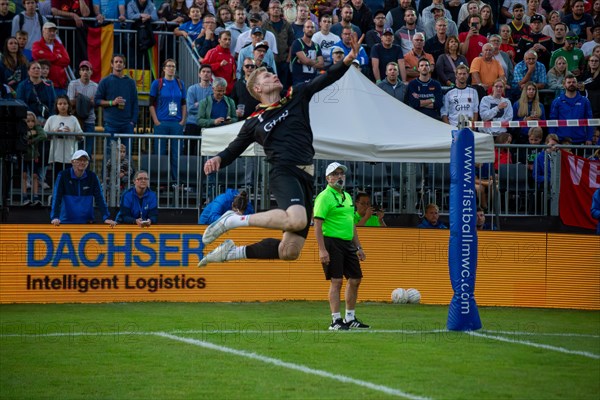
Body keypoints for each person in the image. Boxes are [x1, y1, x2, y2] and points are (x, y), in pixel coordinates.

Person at [198, 32, 363, 267]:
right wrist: (217, 158)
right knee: (296, 220)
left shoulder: (295, 95)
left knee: (289, 250)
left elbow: (323, 80)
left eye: (272, 72)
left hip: (305, 176)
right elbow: (233, 149)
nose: (273, 75)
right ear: (257, 88)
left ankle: (232, 252)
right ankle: (232, 220)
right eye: (266, 75)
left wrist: (346, 61)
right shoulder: (254, 120)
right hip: (283, 171)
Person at [313, 161, 369, 330]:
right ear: (328, 178)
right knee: (336, 281)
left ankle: (350, 318)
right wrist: (322, 249)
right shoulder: (324, 197)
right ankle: (335, 320)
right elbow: (317, 224)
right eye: (335, 174)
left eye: (341, 174)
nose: (339, 177)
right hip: (331, 242)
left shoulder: (348, 196)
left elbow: (351, 224)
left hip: (347, 243)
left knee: (355, 279)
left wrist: (358, 247)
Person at [50, 149, 116, 226]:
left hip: (87, 223)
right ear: (72, 162)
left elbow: (100, 198)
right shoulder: (63, 175)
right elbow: (56, 197)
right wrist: (55, 217)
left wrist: (106, 217)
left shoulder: (92, 176)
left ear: (88, 163)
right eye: (79, 160)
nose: (82, 162)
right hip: (65, 222)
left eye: (85, 160)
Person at [149, 58, 187, 186]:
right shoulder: (157, 83)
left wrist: (182, 120)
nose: (171, 68)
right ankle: (160, 180)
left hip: (176, 123)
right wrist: (156, 121)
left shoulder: (180, 83)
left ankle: (175, 180)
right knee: (160, 152)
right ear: (164, 68)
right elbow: (150, 104)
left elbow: (183, 103)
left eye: (173, 66)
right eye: (169, 66)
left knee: (176, 154)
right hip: (162, 123)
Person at [94, 54, 139, 152]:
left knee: (126, 154)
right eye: (116, 62)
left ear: (124, 65)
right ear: (111, 64)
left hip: (127, 124)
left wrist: (132, 122)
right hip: (111, 124)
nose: (118, 64)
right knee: (110, 154)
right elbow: (97, 101)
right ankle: (108, 168)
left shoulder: (131, 83)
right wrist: (112, 102)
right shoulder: (105, 81)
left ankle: (125, 168)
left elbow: (135, 103)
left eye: (121, 62)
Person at [45, 95, 83, 180]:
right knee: (57, 179)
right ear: (56, 105)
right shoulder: (52, 119)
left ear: (68, 105)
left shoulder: (73, 119)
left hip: (70, 156)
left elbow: (81, 136)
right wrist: (53, 132)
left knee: (69, 179)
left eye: (65, 103)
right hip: (56, 155)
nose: (62, 106)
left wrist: (71, 133)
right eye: (60, 103)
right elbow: (44, 135)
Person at [549, 74, 593, 144]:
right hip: (561, 140)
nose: (571, 84)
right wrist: (552, 138)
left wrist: (589, 138)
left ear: (577, 84)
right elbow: (553, 121)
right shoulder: (557, 101)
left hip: (580, 140)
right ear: (564, 85)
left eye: (574, 82)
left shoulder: (585, 101)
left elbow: (589, 120)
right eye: (569, 82)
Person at [67, 60, 97, 156]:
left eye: (87, 70)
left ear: (91, 72)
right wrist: (88, 101)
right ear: (79, 72)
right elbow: (70, 102)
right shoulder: (73, 84)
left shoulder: (96, 86)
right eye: (83, 70)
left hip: (89, 121)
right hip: (76, 120)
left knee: (87, 151)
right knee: (75, 150)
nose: (85, 72)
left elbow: (96, 103)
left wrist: (79, 97)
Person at [31, 22, 69, 95]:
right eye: (49, 31)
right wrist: (57, 57)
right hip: (44, 85)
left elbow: (66, 61)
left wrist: (48, 58)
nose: (52, 33)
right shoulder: (37, 44)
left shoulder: (60, 45)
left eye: (54, 31)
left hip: (60, 85)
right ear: (43, 32)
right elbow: (37, 56)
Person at [185, 63, 213, 154]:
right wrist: (205, 106)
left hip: (208, 125)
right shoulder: (192, 89)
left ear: (211, 75)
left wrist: (198, 104)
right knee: (190, 151)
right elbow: (190, 109)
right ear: (199, 74)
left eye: (208, 72)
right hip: (193, 123)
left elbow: (213, 109)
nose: (206, 74)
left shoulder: (214, 90)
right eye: (203, 71)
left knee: (205, 152)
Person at [21, 111, 47, 206]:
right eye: (28, 121)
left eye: (32, 121)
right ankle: (24, 197)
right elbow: (22, 137)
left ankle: (36, 197)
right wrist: (29, 134)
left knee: (35, 176)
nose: (30, 123)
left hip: (34, 156)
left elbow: (43, 135)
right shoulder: (22, 128)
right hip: (24, 156)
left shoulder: (37, 128)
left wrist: (32, 140)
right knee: (24, 176)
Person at [441, 64, 479, 128]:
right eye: (460, 74)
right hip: (454, 127)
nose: (462, 76)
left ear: (467, 75)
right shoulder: (448, 93)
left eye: (464, 74)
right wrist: (449, 128)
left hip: (469, 128)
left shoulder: (473, 91)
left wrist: (473, 127)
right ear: (456, 75)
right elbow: (444, 113)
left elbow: (475, 111)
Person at [203, 30, 236, 95]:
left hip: (228, 91)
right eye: (225, 39)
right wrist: (219, 64)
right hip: (214, 90)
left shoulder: (231, 57)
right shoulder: (212, 52)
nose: (227, 42)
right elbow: (204, 68)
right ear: (219, 40)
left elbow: (233, 76)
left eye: (229, 39)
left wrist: (230, 88)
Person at [290, 20, 323, 84]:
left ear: (315, 30)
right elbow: (306, 61)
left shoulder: (316, 46)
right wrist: (316, 61)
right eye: (307, 27)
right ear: (303, 29)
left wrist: (304, 61)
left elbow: (321, 64)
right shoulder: (297, 43)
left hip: (313, 81)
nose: (310, 29)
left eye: (312, 27)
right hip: (299, 81)